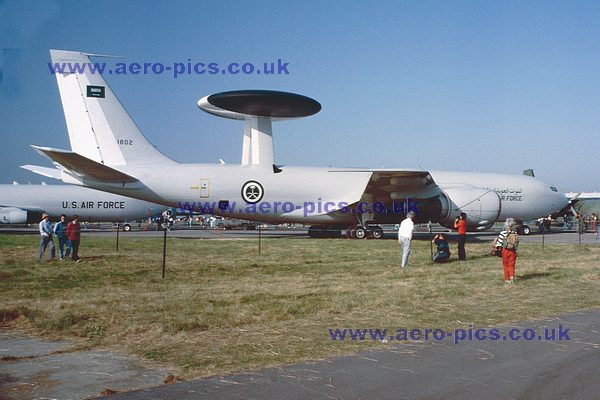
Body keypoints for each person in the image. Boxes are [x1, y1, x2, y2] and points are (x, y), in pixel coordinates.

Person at [493, 218, 519, 286]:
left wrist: (495, 247)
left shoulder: (503, 233)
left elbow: (499, 243)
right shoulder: (515, 233)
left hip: (505, 250)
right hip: (513, 250)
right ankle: (512, 277)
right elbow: (516, 242)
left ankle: (507, 278)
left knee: (505, 264)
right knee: (512, 264)